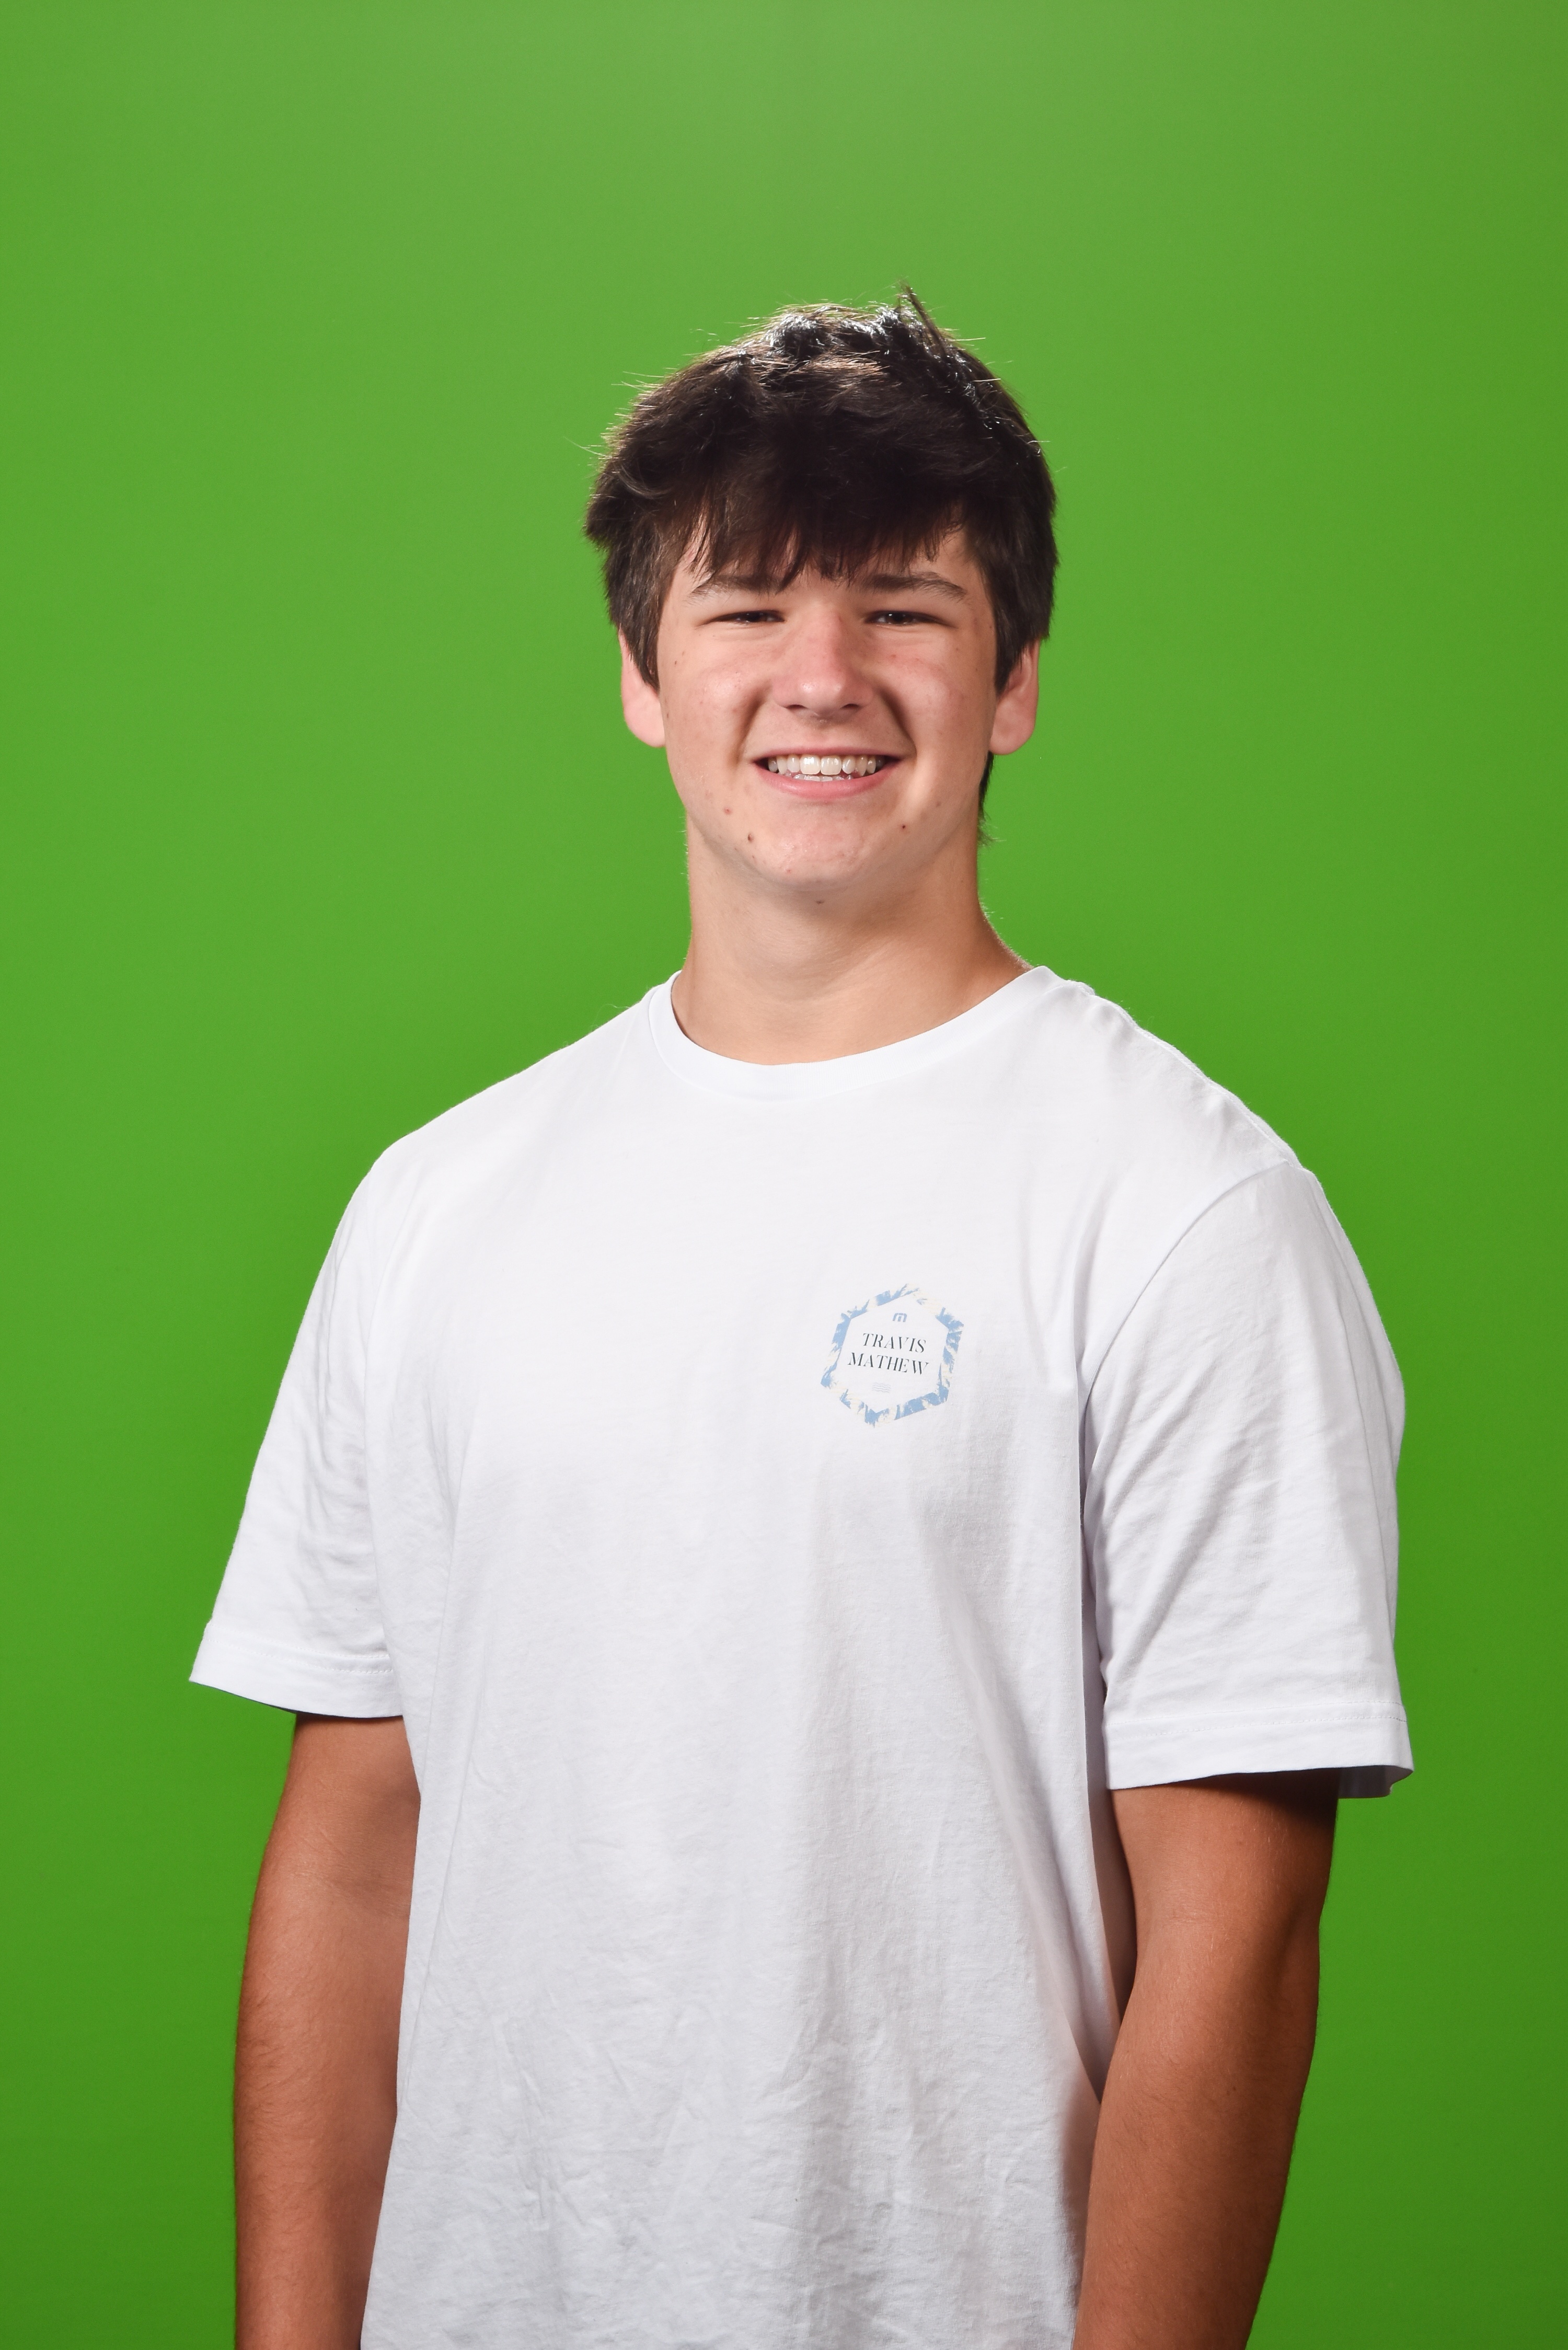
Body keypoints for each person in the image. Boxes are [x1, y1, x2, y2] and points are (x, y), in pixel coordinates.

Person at [193, 293, 1411, 2350]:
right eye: (748, 607)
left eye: (905, 610)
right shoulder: (436, 1210)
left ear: (1014, 681)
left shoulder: (1185, 1211)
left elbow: (1239, 1935)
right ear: (641, 676)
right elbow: (351, 1860)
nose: (822, 676)